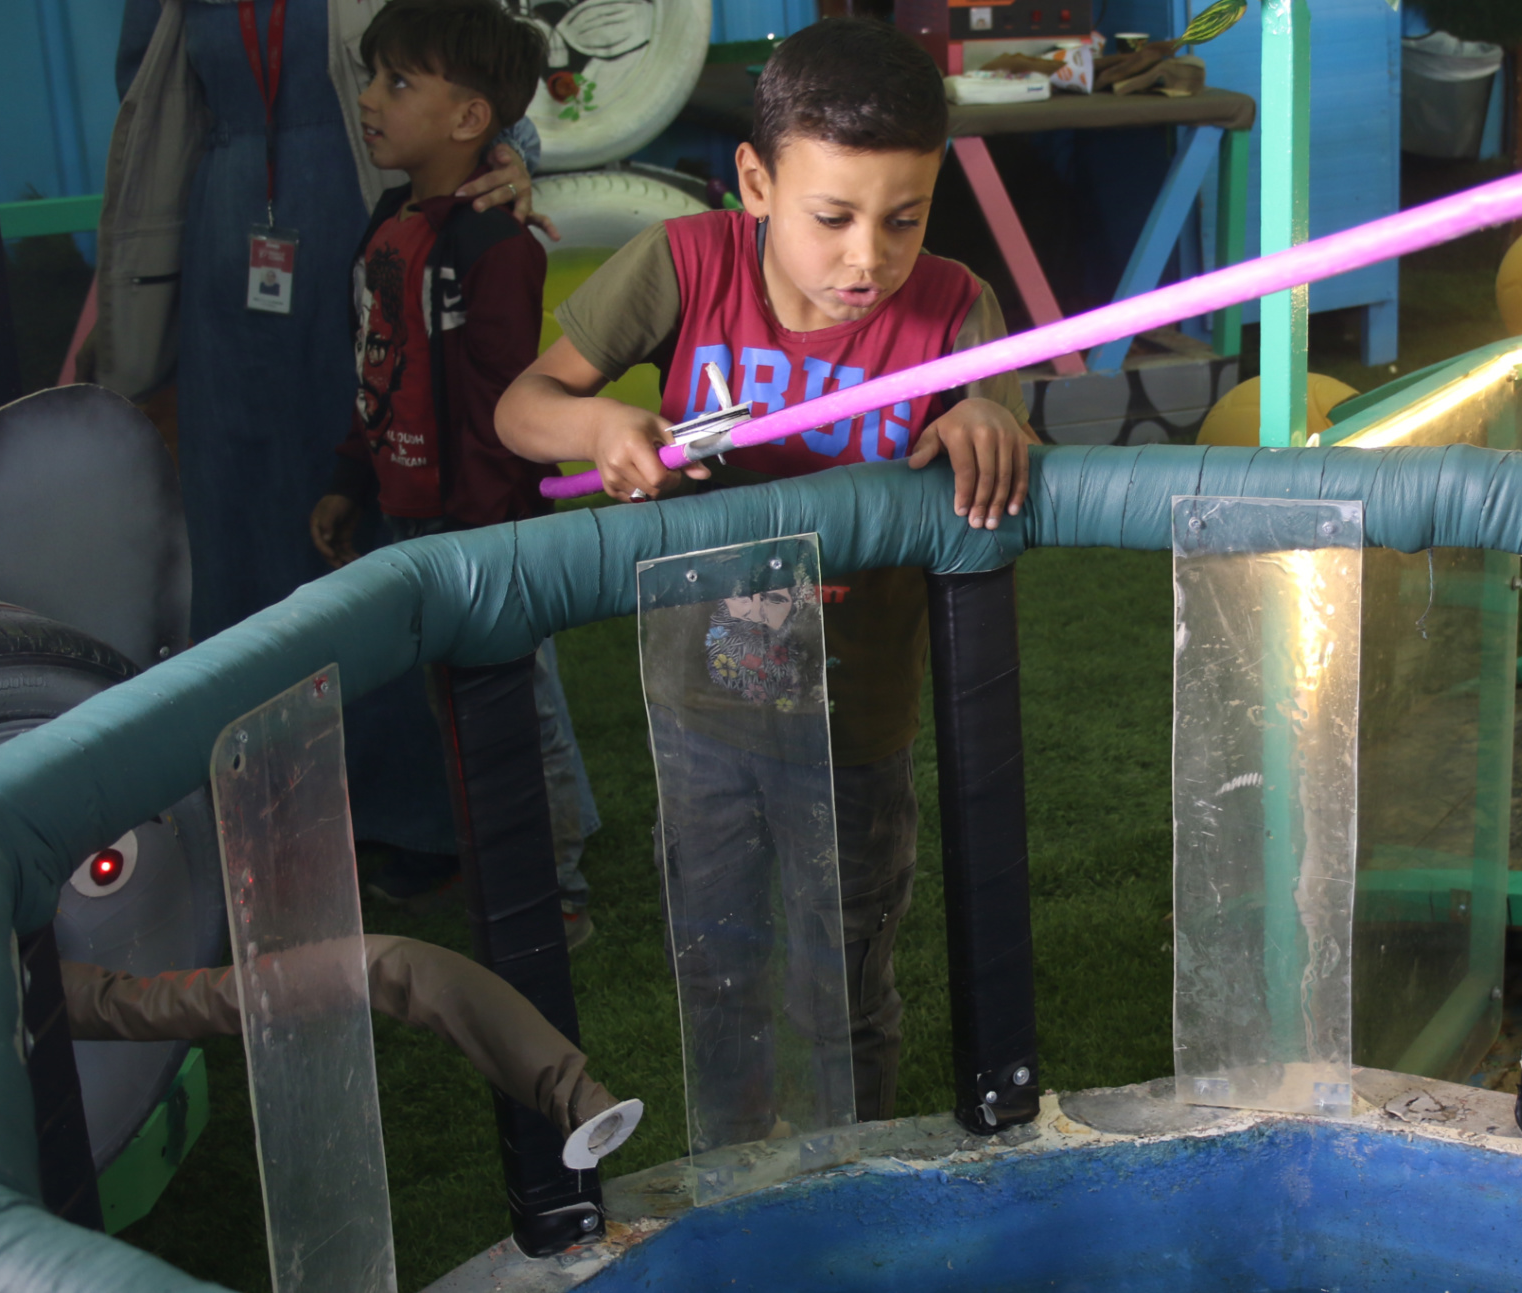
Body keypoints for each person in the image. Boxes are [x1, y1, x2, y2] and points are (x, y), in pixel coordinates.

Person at [493, 17, 1035, 1124]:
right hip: (700, 713)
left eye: (904, 217)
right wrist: (599, 423)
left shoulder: (953, 309)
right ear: (753, 180)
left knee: (842, 994)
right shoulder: (683, 263)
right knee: (720, 982)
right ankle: (732, 1188)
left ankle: (857, 1191)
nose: (866, 259)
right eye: (830, 217)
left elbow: (1002, 440)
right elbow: (520, 409)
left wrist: (987, 415)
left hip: (856, 728)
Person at [105, 0, 561, 880]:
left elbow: (470, 72)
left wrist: (508, 158)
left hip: (363, 212)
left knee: (398, 488)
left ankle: (417, 813)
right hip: (224, 234)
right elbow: (147, 102)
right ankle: (260, 807)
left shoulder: (418, 188)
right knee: (238, 510)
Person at [301, 0, 602, 947]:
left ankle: (554, 888)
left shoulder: (496, 245)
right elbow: (380, 363)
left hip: (482, 529)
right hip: (413, 516)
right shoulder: (391, 221)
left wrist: (478, 525)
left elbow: (504, 402)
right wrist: (355, 477)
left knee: (518, 707)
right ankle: (523, 859)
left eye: (397, 82)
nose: (369, 99)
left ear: (471, 119)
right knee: (466, 706)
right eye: (374, 76)